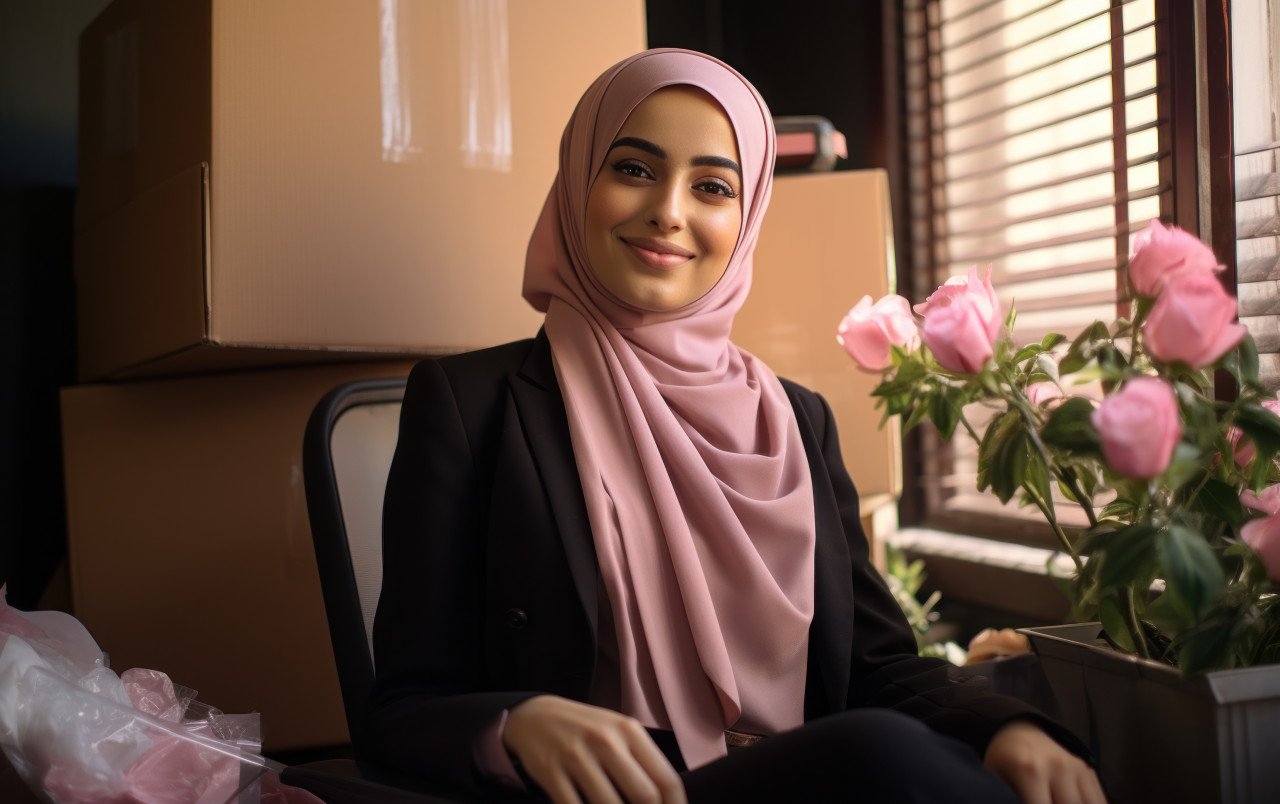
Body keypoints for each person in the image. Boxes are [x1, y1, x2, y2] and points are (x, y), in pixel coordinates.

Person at [360, 48, 1106, 804]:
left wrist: (1006, 727)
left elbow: (875, 668)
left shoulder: (795, 419)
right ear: (578, 180)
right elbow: (400, 711)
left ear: (746, 218)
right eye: (633, 169)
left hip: (797, 781)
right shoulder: (471, 403)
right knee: (880, 753)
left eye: (713, 186)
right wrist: (515, 723)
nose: (670, 212)